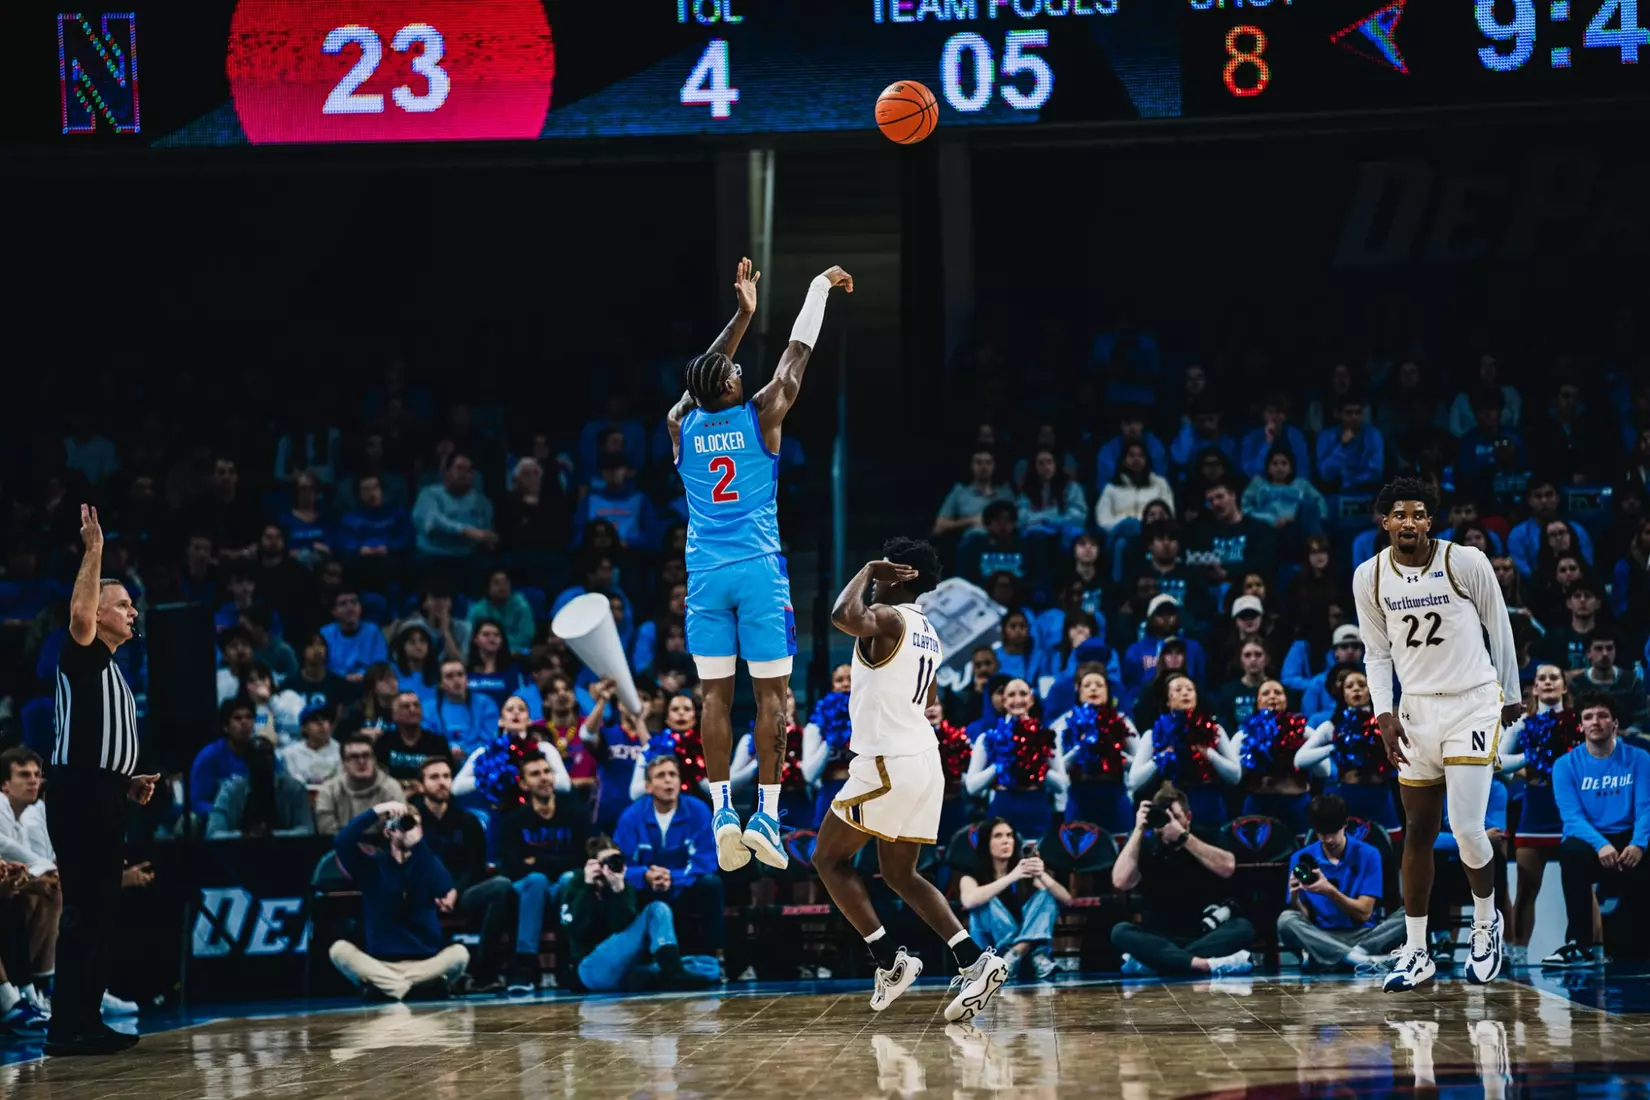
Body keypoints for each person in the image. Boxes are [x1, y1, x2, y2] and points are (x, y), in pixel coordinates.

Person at [667, 257, 854, 872]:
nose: (742, 370)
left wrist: (743, 317)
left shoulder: (681, 425)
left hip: (704, 577)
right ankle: (767, 818)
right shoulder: (763, 413)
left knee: (713, 697)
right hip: (758, 570)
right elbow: (799, 349)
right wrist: (818, 286)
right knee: (774, 696)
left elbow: (699, 380)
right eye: (734, 372)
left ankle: (723, 808)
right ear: (727, 389)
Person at [813, 541, 1011, 1022]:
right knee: (900, 873)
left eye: (885, 568)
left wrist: (864, 566)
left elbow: (842, 614)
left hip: (887, 760)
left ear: (898, 574)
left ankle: (888, 961)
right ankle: (974, 960)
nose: (878, 576)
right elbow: (927, 695)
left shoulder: (888, 615)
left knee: (826, 858)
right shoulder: (928, 630)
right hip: (924, 759)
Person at [1352, 476, 1523, 992]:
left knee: (1467, 827)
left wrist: (1510, 694)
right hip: (1417, 710)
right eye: (1400, 514)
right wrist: (1384, 715)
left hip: (1472, 701)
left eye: (1419, 514)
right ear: (1384, 522)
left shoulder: (1464, 561)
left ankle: (1485, 924)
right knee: (1418, 829)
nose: (1410, 522)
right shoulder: (1369, 576)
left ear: (1432, 521)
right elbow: (1376, 654)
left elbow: (1500, 624)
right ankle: (1418, 950)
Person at [45, 505, 159, 1055]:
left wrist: (127, 782)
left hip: (104, 793)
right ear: (100, 610)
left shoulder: (113, 668)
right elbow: (80, 616)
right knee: (86, 910)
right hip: (78, 794)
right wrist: (94, 552)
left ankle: (85, 1019)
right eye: (123, 604)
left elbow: (105, 746)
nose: (132, 611)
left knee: (103, 913)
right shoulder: (83, 652)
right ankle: (66, 1027)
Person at [1543, 694, 1650, 967]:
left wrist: (1638, 843)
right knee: (1571, 850)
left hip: (1628, 835)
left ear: (1615, 723)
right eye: (1588, 717)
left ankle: (1635, 943)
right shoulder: (1565, 765)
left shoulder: (1639, 759)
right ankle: (1580, 944)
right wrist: (1601, 844)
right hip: (1590, 840)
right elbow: (1571, 817)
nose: (1595, 722)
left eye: (1602, 716)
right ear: (1580, 725)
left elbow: (1645, 808)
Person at [326, 801, 470, 1001]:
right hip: (381, 964)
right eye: (402, 825)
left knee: (460, 954)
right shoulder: (372, 867)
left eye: (414, 825)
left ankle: (390, 988)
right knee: (339, 950)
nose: (408, 830)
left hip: (425, 964)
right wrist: (378, 810)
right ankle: (410, 989)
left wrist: (418, 846)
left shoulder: (428, 862)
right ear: (388, 832)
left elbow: (444, 887)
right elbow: (342, 841)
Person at [1109, 785, 1253, 977]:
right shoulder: (1148, 844)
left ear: (1189, 817)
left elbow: (1227, 868)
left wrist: (1183, 837)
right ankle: (1202, 964)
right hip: (1161, 936)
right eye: (1164, 818)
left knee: (1244, 928)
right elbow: (1120, 881)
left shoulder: (1208, 835)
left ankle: (1163, 962)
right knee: (1120, 932)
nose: (1169, 824)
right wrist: (1138, 830)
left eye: (1176, 817)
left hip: (1205, 932)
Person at [409, 756, 514, 994]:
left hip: (462, 892)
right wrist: (436, 891)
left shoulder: (468, 821)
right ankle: (419, 976)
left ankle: (483, 973)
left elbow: (475, 867)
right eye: (434, 778)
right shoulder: (412, 821)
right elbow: (412, 863)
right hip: (423, 894)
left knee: (501, 886)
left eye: (446, 777)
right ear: (421, 784)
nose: (442, 783)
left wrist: (453, 891)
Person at [1496, 665, 1577, 965]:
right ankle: (1517, 952)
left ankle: (1593, 948)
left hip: (1569, 808)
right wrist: (1532, 757)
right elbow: (1499, 761)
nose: (1547, 682)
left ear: (1564, 687)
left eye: (1554, 677)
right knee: (1527, 886)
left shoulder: (1578, 723)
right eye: (1541, 678)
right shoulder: (1522, 724)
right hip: (1535, 806)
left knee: (1582, 885)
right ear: (1534, 689)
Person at [563, 835, 715, 993]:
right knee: (656, 909)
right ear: (593, 865)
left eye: (616, 860)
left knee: (709, 966)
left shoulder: (623, 887)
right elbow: (576, 933)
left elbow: (623, 928)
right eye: (605, 862)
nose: (612, 866)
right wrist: (589, 887)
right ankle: (672, 974)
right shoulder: (576, 885)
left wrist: (618, 891)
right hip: (591, 968)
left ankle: (664, 975)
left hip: (623, 970)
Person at [1276, 794, 1407, 971]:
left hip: (1363, 936)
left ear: (1345, 825)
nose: (1328, 840)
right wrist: (1294, 897)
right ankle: (1360, 960)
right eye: (1322, 834)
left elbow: (1363, 913)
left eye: (1333, 833)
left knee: (1410, 914)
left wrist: (1330, 891)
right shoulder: (1300, 858)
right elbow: (1303, 917)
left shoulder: (1368, 854)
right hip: (1321, 936)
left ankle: (1332, 958)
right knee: (1285, 920)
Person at [611, 756, 724, 960]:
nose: (668, 780)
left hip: (685, 886)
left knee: (711, 884)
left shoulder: (699, 811)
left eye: (673, 775)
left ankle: (712, 957)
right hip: (646, 889)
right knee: (619, 889)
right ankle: (634, 958)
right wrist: (645, 875)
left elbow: (706, 861)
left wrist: (673, 877)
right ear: (648, 786)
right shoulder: (631, 816)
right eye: (661, 776)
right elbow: (621, 865)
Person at [498, 753, 590, 993]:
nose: (544, 778)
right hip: (527, 891)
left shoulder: (574, 813)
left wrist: (537, 860)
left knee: (570, 879)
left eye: (547, 772)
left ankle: (568, 960)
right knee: (537, 881)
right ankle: (525, 965)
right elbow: (512, 867)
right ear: (524, 784)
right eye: (535, 774)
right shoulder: (513, 821)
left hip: (562, 887)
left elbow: (583, 859)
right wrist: (552, 864)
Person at [957, 819, 1074, 983]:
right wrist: (1012, 877)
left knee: (1046, 897)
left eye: (1009, 835)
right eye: (998, 836)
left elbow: (1067, 900)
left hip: (1019, 958)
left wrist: (1041, 874)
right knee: (983, 901)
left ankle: (1017, 951)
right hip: (994, 953)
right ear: (986, 843)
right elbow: (969, 901)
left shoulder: (1024, 873)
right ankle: (1015, 953)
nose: (1006, 841)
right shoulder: (971, 875)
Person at [0, 747, 60, 1031]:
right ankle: (15, 997)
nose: (33, 781)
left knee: (46, 892)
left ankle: (34, 990)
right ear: (4, 784)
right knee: (37, 892)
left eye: (37, 775)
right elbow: (13, 851)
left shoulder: (19, 817)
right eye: (24, 775)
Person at [206, 738, 314, 839]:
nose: (264, 760)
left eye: (268, 755)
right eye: (258, 756)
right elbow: (213, 833)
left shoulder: (294, 789)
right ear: (247, 761)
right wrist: (244, 835)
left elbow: (307, 830)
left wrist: (271, 835)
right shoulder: (230, 790)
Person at [314, 734, 406, 835]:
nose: (361, 761)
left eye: (366, 755)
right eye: (354, 757)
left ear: (374, 759)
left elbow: (399, 832)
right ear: (343, 762)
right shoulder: (329, 791)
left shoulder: (391, 788)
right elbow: (327, 833)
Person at [189, 697, 257, 823]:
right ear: (226, 727)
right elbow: (197, 802)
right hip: (217, 821)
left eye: (249, 717)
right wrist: (225, 813)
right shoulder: (209, 756)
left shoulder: (262, 753)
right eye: (237, 718)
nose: (245, 722)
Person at [373, 693, 453, 790]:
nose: (412, 709)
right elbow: (379, 779)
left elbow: (448, 777)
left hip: (429, 796)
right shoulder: (383, 742)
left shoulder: (438, 742)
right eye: (406, 706)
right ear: (394, 715)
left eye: (416, 705)